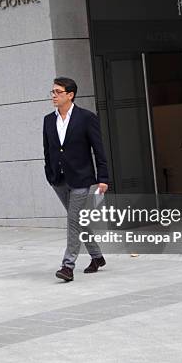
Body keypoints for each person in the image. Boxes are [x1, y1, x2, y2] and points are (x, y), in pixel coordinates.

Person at [43, 77, 109, 282]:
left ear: (70, 95)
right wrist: (49, 173)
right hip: (59, 179)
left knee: (73, 220)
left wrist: (103, 178)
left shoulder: (86, 118)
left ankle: (67, 266)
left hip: (82, 179)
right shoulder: (48, 120)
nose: (53, 96)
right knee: (78, 220)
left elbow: (98, 149)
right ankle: (97, 257)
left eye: (57, 92)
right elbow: (48, 150)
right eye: (52, 92)